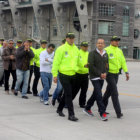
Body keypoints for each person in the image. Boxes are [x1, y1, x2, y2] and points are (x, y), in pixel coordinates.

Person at [52, 32, 79, 122]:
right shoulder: (61, 49)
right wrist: (55, 75)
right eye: (69, 38)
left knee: (68, 94)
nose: (71, 39)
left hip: (73, 74)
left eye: (72, 38)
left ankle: (59, 109)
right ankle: (71, 115)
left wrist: (83, 66)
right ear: (66, 38)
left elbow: (78, 62)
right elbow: (56, 62)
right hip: (63, 74)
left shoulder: (76, 49)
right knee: (68, 94)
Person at [102, 36, 129, 119]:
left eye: (118, 41)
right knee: (115, 93)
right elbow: (103, 62)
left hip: (116, 74)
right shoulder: (106, 50)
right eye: (115, 41)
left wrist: (126, 72)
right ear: (111, 41)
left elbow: (123, 62)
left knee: (108, 93)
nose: (117, 42)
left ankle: (101, 108)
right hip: (109, 74)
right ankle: (118, 112)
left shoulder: (119, 51)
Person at [83, 39, 108, 121]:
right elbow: (91, 66)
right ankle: (102, 113)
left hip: (102, 77)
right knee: (99, 94)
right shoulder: (92, 53)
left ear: (104, 44)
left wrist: (105, 73)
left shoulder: (105, 54)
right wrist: (100, 74)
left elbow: (107, 65)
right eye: (99, 43)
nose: (100, 44)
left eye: (102, 43)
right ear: (96, 44)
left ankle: (87, 107)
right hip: (94, 77)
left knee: (96, 93)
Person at [73, 41, 89, 108]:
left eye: (86, 46)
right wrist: (83, 65)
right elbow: (75, 63)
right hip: (78, 74)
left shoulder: (88, 53)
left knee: (84, 90)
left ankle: (82, 103)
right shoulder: (78, 53)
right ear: (81, 46)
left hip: (85, 74)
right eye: (84, 46)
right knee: (75, 89)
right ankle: (67, 102)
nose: (85, 48)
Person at [51, 39, 66, 106]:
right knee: (59, 87)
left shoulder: (71, 51)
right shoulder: (59, 50)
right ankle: (54, 98)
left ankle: (63, 101)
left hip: (68, 73)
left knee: (65, 89)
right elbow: (55, 63)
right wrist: (55, 75)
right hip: (60, 72)